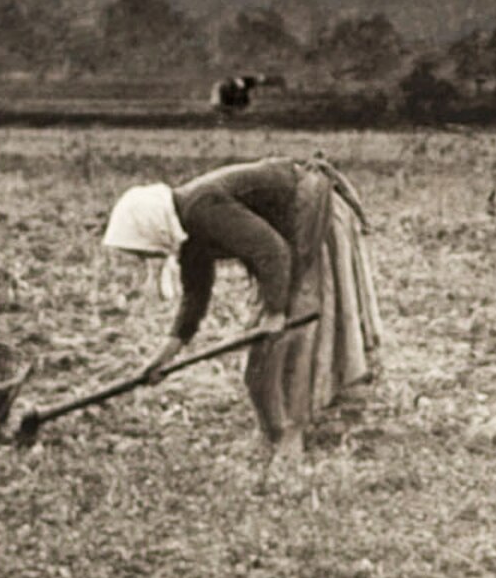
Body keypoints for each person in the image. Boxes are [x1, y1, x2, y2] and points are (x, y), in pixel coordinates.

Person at [101, 156, 378, 471]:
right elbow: (195, 296)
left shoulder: (201, 208)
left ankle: (291, 438)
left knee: (290, 346)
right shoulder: (188, 231)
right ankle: (273, 434)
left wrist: (275, 314)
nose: (144, 257)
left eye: (141, 250)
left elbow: (272, 250)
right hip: (284, 246)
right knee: (261, 359)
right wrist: (165, 355)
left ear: (150, 228)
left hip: (311, 217)